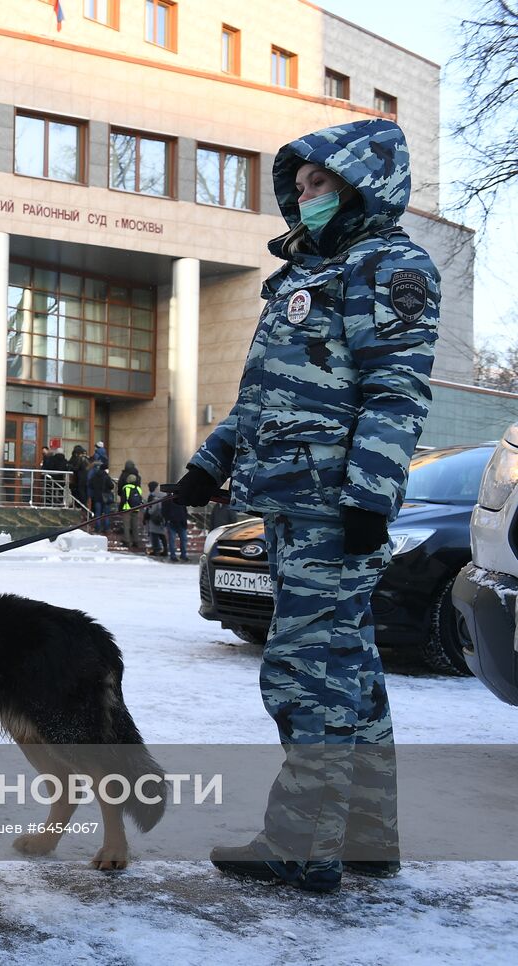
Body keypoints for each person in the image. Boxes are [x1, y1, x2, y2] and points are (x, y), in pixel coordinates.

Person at [170, 118, 439, 893]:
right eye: (299, 184)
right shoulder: (298, 278)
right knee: (348, 672)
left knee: (303, 674)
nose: (302, 194)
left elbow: (396, 392)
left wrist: (368, 498)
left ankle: (301, 845)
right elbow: (257, 402)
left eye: (318, 183)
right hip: (289, 504)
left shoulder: (389, 265)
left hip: (331, 508)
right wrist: (201, 472)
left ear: (362, 185)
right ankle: (364, 837)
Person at [119, 472, 144, 550]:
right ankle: (136, 541)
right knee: (135, 526)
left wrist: (120, 508)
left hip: (127, 508)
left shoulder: (126, 488)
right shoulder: (138, 489)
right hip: (136, 509)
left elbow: (123, 499)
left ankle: (127, 541)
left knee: (127, 525)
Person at [162, 495, 188, 562]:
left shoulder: (182, 498)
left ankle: (183, 555)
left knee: (182, 539)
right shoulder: (167, 499)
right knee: (173, 540)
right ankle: (174, 556)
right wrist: (167, 519)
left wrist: (184, 519)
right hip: (172, 522)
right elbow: (164, 511)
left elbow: (184, 510)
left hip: (180, 522)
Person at [144, 481, 167, 556]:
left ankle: (156, 550)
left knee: (154, 535)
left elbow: (152, 509)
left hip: (154, 518)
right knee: (162, 535)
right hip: (162, 518)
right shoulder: (164, 495)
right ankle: (165, 550)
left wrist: (148, 512)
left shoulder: (153, 496)